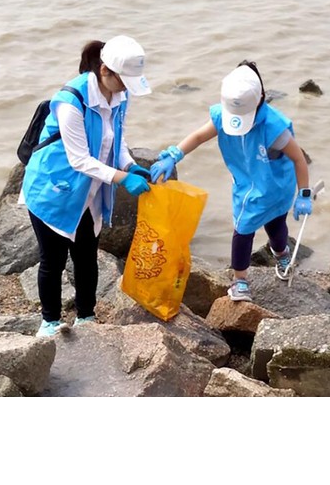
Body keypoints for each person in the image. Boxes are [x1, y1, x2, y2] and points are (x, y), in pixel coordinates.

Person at [21, 35, 152, 336]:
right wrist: (122, 178)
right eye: (125, 81)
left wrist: (130, 165)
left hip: (91, 192)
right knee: (52, 260)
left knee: (86, 256)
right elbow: (79, 159)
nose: (127, 89)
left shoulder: (119, 95)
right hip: (54, 188)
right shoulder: (71, 101)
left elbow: (116, 140)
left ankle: (86, 318)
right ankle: (50, 322)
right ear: (105, 71)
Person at [150, 60, 313, 302]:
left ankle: (281, 253)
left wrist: (304, 194)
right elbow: (198, 136)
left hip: (276, 187)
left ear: (260, 99)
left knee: (276, 225)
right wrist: (175, 154)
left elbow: (299, 159)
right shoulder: (221, 116)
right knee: (243, 228)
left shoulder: (274, 129)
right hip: (246, 186)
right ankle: (240, 280)